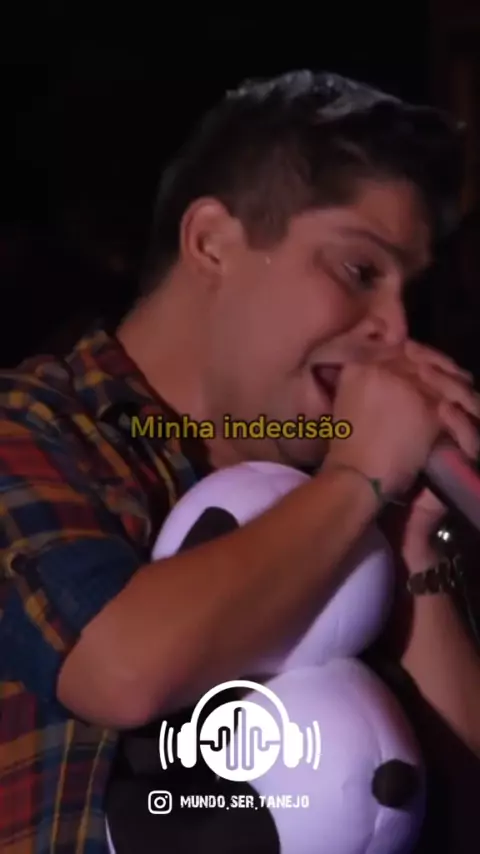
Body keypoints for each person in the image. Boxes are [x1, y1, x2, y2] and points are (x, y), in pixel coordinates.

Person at [0, 70, 479, 854]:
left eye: (411, 298)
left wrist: (414, 548)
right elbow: (120, 669)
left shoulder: (355, 495)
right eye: (359, 271)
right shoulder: (35, 428)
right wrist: (357, 479)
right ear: (212, 243)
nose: (394, 331)